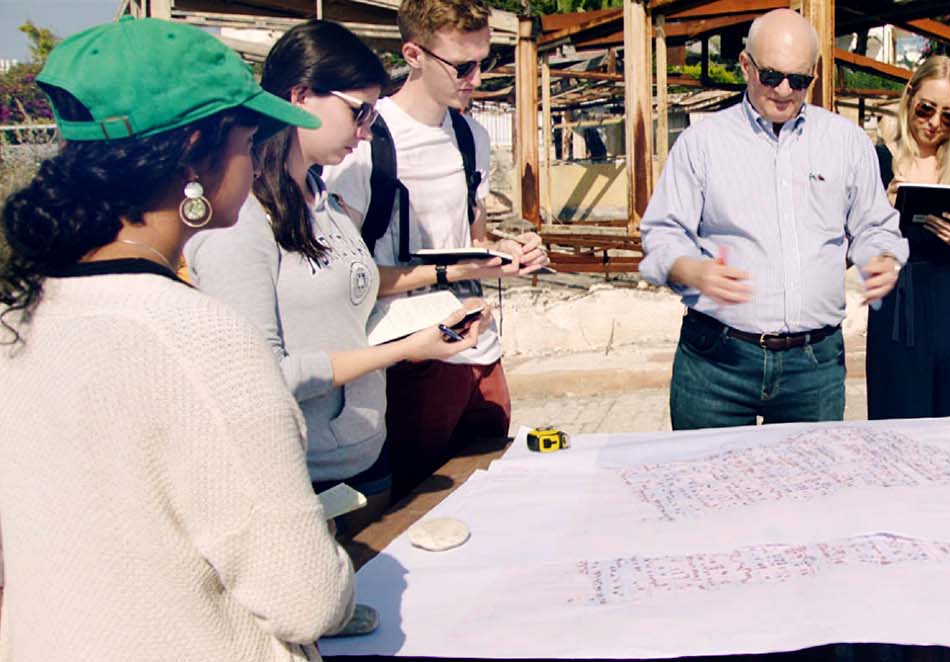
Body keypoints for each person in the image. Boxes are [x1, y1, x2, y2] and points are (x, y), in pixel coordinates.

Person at [0, 18, 352, 660]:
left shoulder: (20, 312)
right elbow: (308, 599)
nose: (254, 160)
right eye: (248, 139)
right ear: (197, 152)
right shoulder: (201, 337)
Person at [185, 20, 483, 533]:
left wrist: (456, 274)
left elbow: (356, 296)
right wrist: (406, 348)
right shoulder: (242, 221)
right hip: (303, 477)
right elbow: (264, 376)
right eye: (358, 111)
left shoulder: (326, 201)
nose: (366, 131)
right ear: (300, 96)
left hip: (367, 458)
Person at [639, 8, 907, 430]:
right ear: (746, 65)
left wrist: (882, 257)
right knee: (711, 493)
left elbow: (874, 225)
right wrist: (688, 268)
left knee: (809, 495)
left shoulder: (847, 143)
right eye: (771, 76)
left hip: (813, 367)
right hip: (716, 362)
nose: (784, 91)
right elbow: (662, 233)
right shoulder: (701, 144)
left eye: (799, 81)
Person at [323, 0, 549, 496]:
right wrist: (454, 271)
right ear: (413, 55)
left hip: (479, 349)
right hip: (408, 358)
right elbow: (347, 279)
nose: (476, 78)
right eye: (463, 66)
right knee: (417, 513)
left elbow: (474, 238)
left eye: (485, 61)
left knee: (493, 497)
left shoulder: (470, 135)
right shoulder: (362, 143)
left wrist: (509, 251)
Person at [866, 55, 950, 419]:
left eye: (948, 116)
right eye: (926, 109)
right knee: (899, 437)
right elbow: (853, 249)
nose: (934, 124)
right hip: (899, 315)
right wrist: (884, 209)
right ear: (909, 96)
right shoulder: (878, 162)